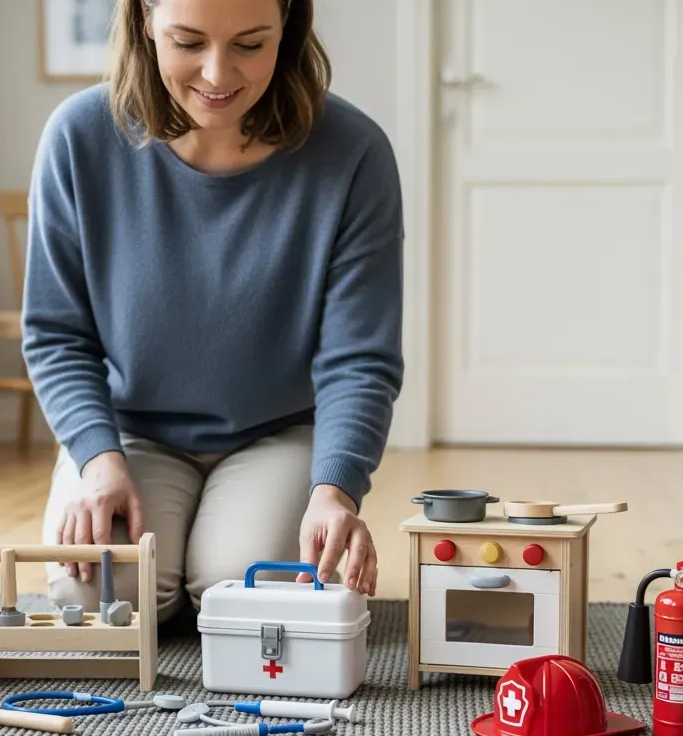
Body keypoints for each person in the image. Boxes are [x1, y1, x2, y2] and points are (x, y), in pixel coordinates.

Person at [21, 0, 404, 624]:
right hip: (130, 434)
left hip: (278, 434)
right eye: (188, 42)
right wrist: (97, 461)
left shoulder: (354, 152)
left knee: (246, 590)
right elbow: (57, 334)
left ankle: (201, 576)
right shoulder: (78, 136)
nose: (218, 74)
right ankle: (172, 573)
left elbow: (359, 357)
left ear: (288, 22)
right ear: (145, 20)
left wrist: (334, 489)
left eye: (250, 44)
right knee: (100, 598)